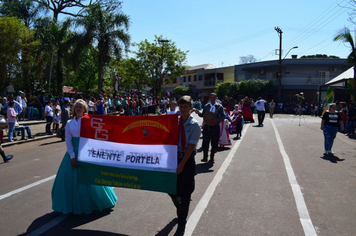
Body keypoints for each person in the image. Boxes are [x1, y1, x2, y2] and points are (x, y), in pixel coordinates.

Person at [51, 99, 117, 215]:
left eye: (81, 106)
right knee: (68, 178)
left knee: (90, 178)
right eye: (77, 106)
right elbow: (68, 139)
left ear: (85, 109)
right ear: (74, 109)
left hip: (86, 150)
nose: (78, 108)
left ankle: (96, 203)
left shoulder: (89, 121)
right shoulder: (70, 123)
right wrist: (72, 156)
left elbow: (94, 136)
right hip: (74, 151)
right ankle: (71, 205)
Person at [169, 95, 201, 236]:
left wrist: (181, 164)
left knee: (186, 192)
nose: (182, 109)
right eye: (180, 107)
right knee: (171, 189)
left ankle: (182, 224)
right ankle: (180, 206)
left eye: (185, 107)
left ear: (190, 108)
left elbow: (190, 147)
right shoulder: (174, 122)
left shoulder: (194, 125)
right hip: (174, 158)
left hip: (186, 161)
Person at [194, 93, 225, 162]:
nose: (212, 99)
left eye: (214, 98)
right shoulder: (206, 106)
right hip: (207, 126)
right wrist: (198, 113)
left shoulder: (219, 107)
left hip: (215, 126)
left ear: (216, 98)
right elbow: (203, 115)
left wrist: (216, 120)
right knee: (205, 141)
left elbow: (223, 116)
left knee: (214, 142)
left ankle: (212, 157)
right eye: (211, 98)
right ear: (209, 98)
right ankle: (205, 157)